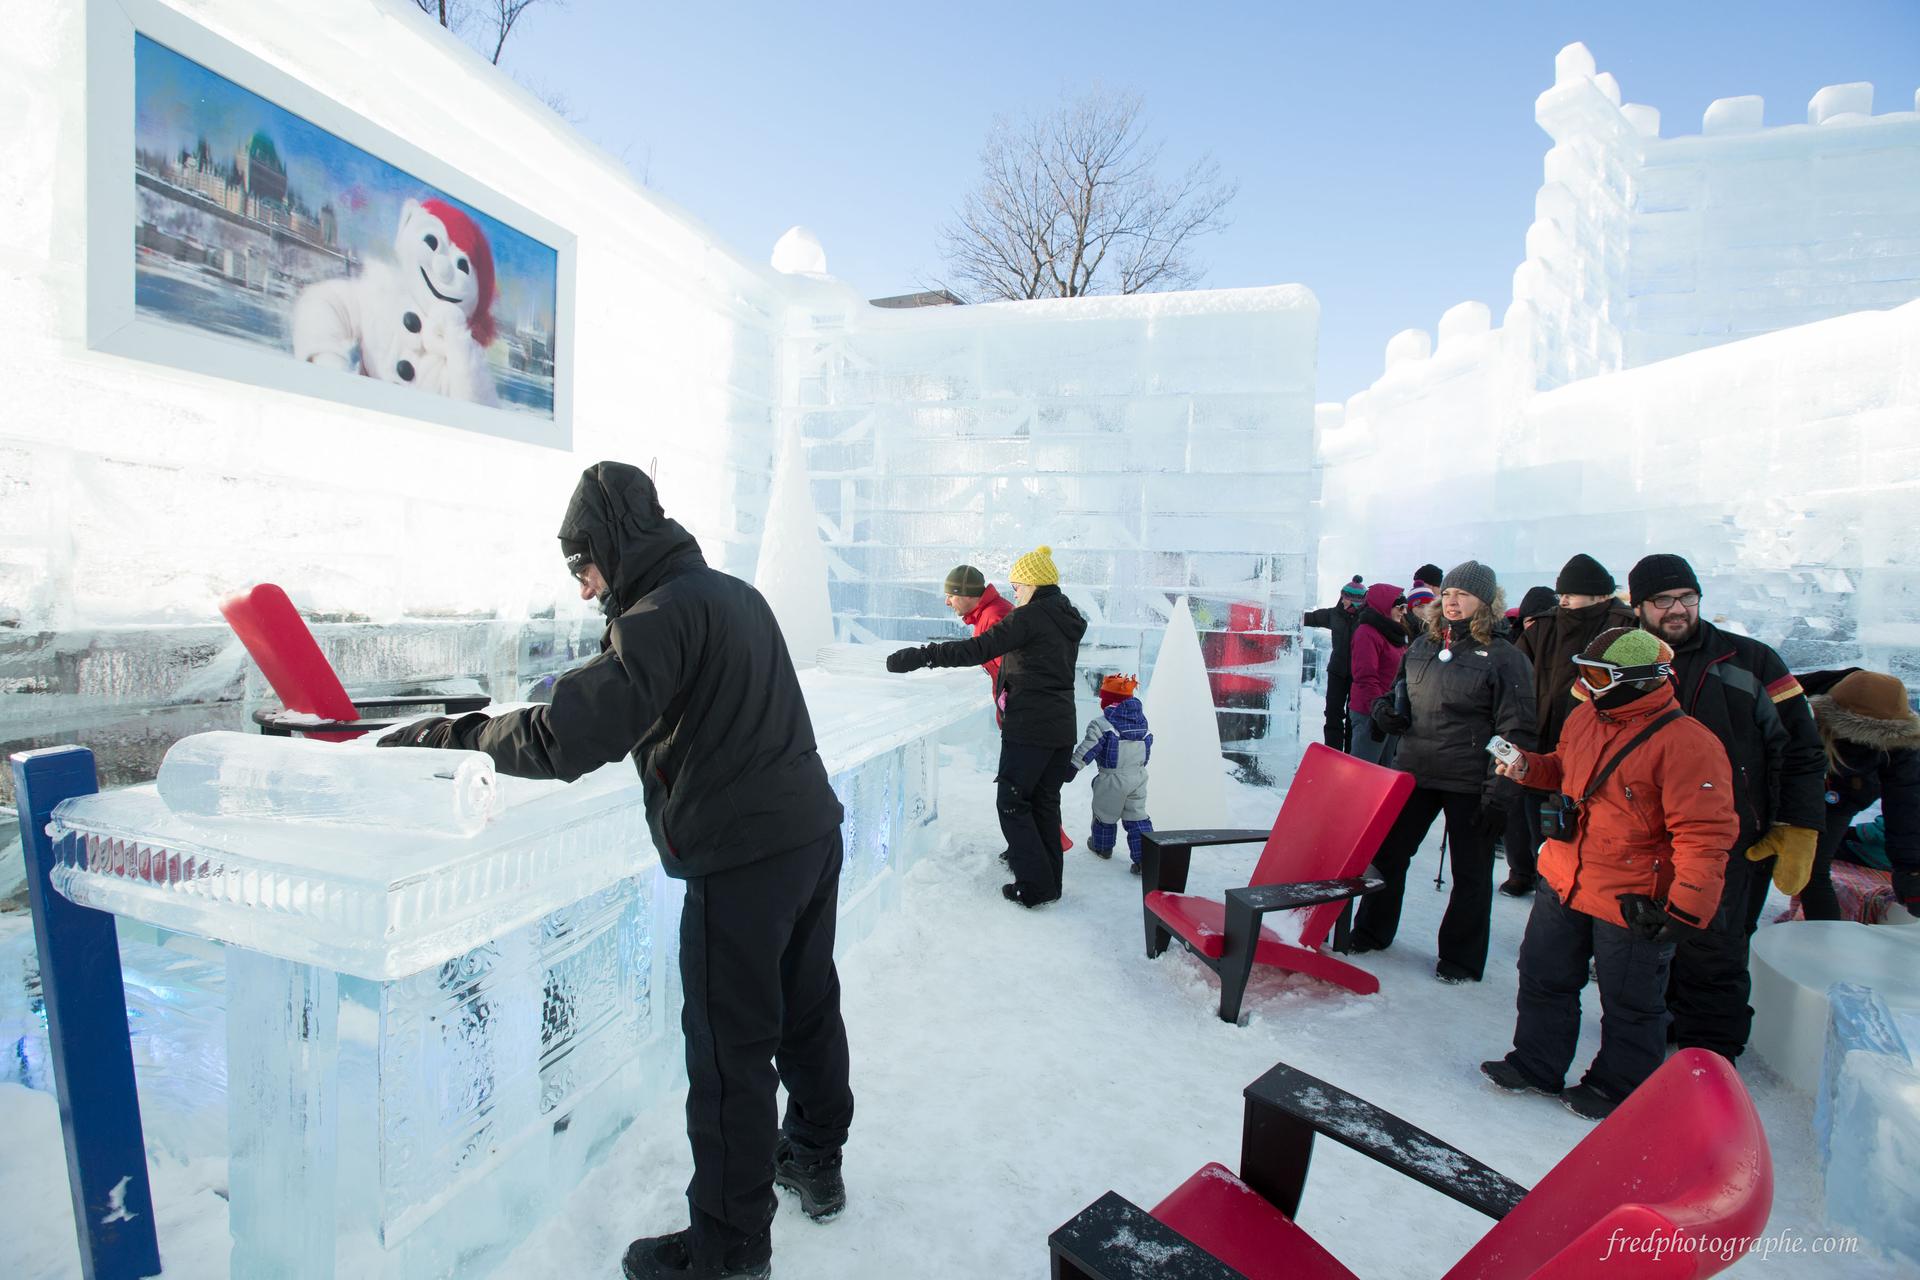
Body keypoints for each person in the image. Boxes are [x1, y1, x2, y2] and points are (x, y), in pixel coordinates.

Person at [380, 462, 853, 1280]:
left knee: (728, 1054)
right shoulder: (736, 596)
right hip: (811, 836)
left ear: (614, 543)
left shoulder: (658, 616)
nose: (585, 583)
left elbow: (568, 735)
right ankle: (815, 1155)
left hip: (739, 864)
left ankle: (729, 1250)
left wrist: (456, 738)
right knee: (807, 1007)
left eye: (584, 564)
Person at [1482, 628, 1737, 1121]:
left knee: (1631, 1002)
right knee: (1543, 976)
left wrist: (1685, 908)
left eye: (1598, 675)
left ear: (1641, 680)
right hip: (1564, 877)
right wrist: (1527, 768)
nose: (1585, 683)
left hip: (1633, 896)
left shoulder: (1689, 744)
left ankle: (1619, 1086)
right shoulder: (1585, 717)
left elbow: (1705, 834)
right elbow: (1564, 769)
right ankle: (1536, 1062)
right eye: (1584, 671)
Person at [1629, 553, 1825, 1061]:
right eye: (1663, 600)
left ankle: (1710, 1060)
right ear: (1638, 607)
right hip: (1647, 836)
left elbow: (1802, 749)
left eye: (1687, 598)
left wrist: (1798, 824)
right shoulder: (1626, 662)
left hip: (1729, 840)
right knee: (1651, 940)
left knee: (1715, 948)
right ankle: (1665, 1030)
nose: (1678, 609)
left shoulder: (1751, 661)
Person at [1354, 560, 1536, 982]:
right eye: (1449, 594)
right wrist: (1385, 713)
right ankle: (1371, 931)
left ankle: (1461, 959)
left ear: (1486, 603)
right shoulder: (1421, 646)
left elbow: (1515, 729)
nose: (1453, 602)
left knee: (1470, 873)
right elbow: (1391, 693)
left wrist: (1499, 794)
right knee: (1388, 857)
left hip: (1470, 781)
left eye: (1465, 595)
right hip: (1415, 771)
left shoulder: (1505, 659)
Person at [887, 545, 1086, 907]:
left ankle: (1034, 885)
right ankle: (1047, 884)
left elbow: (977, 649)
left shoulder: (1029, 618)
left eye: (1018, 585)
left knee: (1012, 800)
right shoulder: (1064, 617)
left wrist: (923, 655)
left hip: (1030, 724)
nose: (1015, 592)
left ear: (1034, 583)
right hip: (1060, 724)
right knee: (1043, 801)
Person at [1503, 555, 1637, 897]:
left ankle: (1583, 898)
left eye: (1571, 594)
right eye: (1561, 593)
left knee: (1590, 833)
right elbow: (1512, 673)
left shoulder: (1626, 628)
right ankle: (1542, 886)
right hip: (1542, 742)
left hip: (1598, 749)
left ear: (1597, 596)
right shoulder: (1545, 627)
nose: (1563, 600)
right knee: (1539, 828)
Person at [942, 563, 1075, 858]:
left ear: (967, 594)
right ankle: (1031, 854)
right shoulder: (987, 615)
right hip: (1027, 714)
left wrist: (1009, 704)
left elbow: (1015, 667)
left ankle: (1037, 858)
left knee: (1021, 797)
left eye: (950, 594)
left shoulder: (997, 616)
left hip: (1029, 717)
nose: (947, 601)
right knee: (1031, 796)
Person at [1794, 668, 1920, 921]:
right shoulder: (1790, 706)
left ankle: (1824, 945)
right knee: (1754, 863)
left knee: (1813, 870)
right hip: (1783, 789)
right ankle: (1732, 941)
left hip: (1846, 795)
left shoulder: (1902, 741)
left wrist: (1912, 872)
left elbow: (1906, 806)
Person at [1070, 674, 1154, 873]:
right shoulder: (1141, 722)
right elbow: (1148, 748)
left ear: (1108, 700)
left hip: (1112, 777)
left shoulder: (1102, 724)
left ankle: (1102, 847)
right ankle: (1146, 860)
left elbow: (1089, 747)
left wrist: (1073, 766)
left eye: (1103, 697)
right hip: (1138, 776)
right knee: (1137, 816)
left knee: (1104, 814)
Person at [1348, 583, 1409, 767]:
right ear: (1385, 605)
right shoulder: (1367, 633)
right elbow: (1365, 677)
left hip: (1389, 712)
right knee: (1363, 772)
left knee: (1385, 770)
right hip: (1370, 713)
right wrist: (1378, 710)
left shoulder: (1393, 633)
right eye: (1400, 607)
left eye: (1405, 607)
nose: (1404, 612)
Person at [1304, 575, 1366, 751]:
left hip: (1357, 675)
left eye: (1347, 598)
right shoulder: (1334, 614)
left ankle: (1350, 754)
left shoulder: (1366, 618)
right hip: (1337, 672)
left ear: (1356, 601)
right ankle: (1333, 752)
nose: (1343, 600)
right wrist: (1290, 618)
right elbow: (1313, 618)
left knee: (1353, 717)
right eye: (1343, 596)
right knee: (1333, 713)